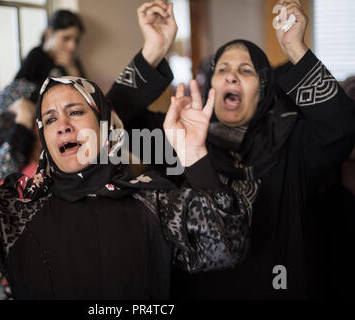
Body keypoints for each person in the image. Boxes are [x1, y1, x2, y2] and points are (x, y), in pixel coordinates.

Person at [0, 72, 251, 299]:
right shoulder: (13, 206)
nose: (63, 126)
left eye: (76, 112)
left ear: (104, 125)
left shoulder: (154, 198)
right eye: (51, 118)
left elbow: (225, 246)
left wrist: (194, 155)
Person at [115, 0, 355, 299]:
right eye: (223, 69)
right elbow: (108, 126)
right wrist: (154, 48)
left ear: (264, 88)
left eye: (246, 70)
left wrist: (295, 47)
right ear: (211, 82)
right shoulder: (176, 136)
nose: (231, 76)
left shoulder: (290, 140)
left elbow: (343, 126)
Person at [0, 9, 86, 188]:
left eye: (76, 40)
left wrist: (72, 70)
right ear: (49, 33)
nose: (72, 47)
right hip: (27, 128)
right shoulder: (37, 56)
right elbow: (19, 91)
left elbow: (86, 98)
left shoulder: (72, 63)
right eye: (66, 38)